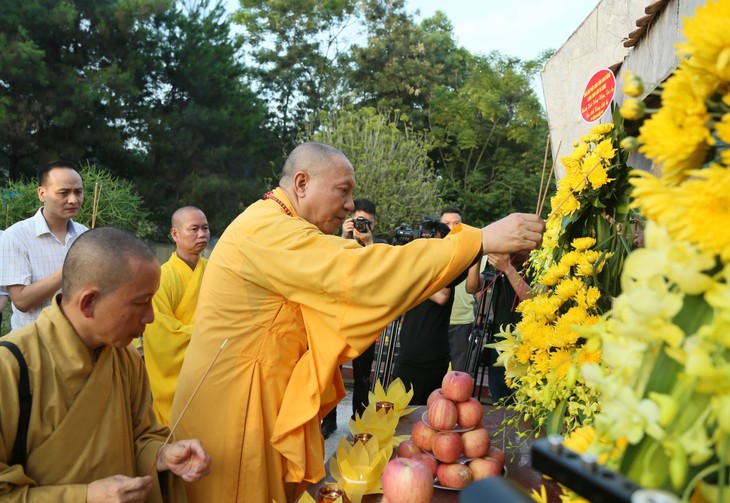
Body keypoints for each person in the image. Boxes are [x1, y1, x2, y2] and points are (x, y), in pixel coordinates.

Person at [170, 142, 544, 503]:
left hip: (255, 393)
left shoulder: (277, 223)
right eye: (343, 191)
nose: (350, 205)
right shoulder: (265, 228)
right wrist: (476, 241)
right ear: (302, 183)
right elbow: (358, 273)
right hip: (237, 406)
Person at [0, 226, 211, 502]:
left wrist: (163, 455)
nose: (150, 317)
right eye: (141, 302)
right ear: (89, 303)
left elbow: (141, 436)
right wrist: (84, 497)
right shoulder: (11, 367)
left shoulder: (127, 359)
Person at [321, 198, 388, 439]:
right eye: (358, 220)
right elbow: (330, 266)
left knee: (362, 374)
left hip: (365, 320)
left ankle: (359, 419)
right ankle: (328, 420)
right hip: (338, 318)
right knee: (332, 370)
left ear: (374, 223)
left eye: (366, 222)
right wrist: (344, 236)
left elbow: (380, 274)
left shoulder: (379, 246)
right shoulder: (342, 243)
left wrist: (368, 242)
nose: (362, 225)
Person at [0, 161, 87, 330]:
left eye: (78, 192)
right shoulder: (16, 236)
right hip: (34, 345)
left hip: (78, 340)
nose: (73, 200)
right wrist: (67, 270)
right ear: (42, 193)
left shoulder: (85, 235)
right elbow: (21, 301)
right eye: (63, 193)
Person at [143, 206, 210, 425]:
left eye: (205, 228)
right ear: (175, 234)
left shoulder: (216, 270)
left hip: (212, 367)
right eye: (194, 229)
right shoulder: (162, 276)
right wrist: (211, 335)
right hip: (181, 372)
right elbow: (160, 331)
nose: (202, 234)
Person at [391, 221, 460, 404]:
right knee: (398, 414)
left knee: (427, 416)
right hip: (408, 354)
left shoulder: (448, 268)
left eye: (433, 241)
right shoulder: (416, 267)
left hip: (433, 358)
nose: (428, 246)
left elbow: (442, 296)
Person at [483, 252, 533, 403]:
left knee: (522, 409)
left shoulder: (538, 263)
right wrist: (475, 257)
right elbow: (473, 288)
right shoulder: (498, 261)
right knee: (499, 406)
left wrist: (508, 269)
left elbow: (533, 299)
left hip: (526, 354)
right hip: (498, 353)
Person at [440, 207, 485, 371]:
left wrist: (480, 314)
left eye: (456, 223)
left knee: (458, 372)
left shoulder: (473, 251)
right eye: (446, 223)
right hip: (437, 318)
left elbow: (478, 288)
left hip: (462, 320)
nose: (451, 227)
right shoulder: (432, 251)